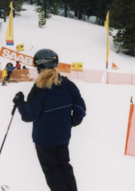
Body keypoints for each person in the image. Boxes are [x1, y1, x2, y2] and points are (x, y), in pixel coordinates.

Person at [13, 49, 86, 191]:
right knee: (64, 166)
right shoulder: (68, 85)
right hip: (62, 136)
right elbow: (80, 108)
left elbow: (29, 115)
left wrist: (20, 104)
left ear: (40, 67)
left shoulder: (39, 89)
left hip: (44, 140)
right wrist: (73, 121)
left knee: (52, 170)